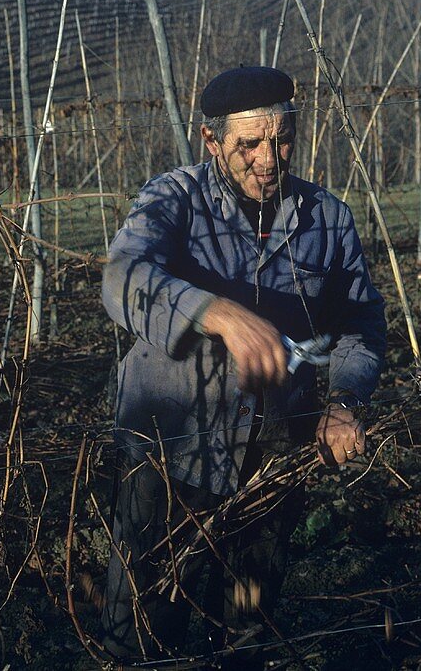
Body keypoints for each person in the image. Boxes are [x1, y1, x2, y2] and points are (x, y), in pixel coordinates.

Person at [100, 66, 386, 667]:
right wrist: (216, 313)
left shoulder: (328, 220)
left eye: (281, 141)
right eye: (248, 145)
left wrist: (344, 403)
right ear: (211, 143)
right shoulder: (170, 200)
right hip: (168, 451)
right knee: (143, 630)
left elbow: (359, 327)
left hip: (274, 459)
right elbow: (122, 279)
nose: (268, 159)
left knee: (249, 623)